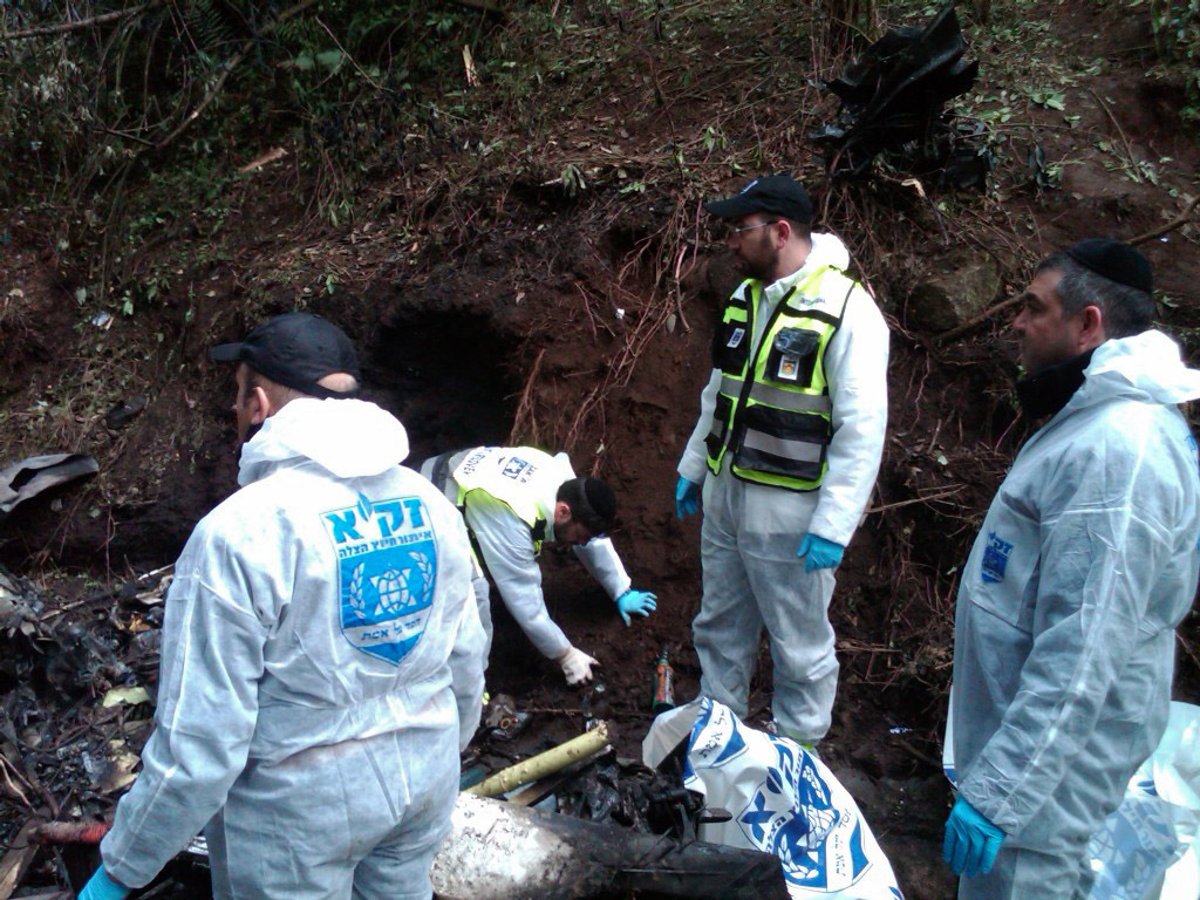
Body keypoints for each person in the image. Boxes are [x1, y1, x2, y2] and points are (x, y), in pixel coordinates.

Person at [79, 312, 486, 900]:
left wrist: (122, 867)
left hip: (297, 813)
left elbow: (201, 743)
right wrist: (446, 747)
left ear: (261, 404)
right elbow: (468, 652)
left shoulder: (242, 531)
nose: (235, 412)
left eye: (237, 395)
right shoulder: (432, 504)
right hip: (424, 779)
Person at [943, 239, 1200, 897]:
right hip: (1023, 751)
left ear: (1088, 324)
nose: (1018, 325)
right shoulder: (1088, 422)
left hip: (1048, 775)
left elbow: (1083, 648)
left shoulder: (1123, 450)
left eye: (1034, 309)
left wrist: (1000, 791)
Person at [675, 174, 889, 746]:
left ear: (781, 231)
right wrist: (695, 464)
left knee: (798, 639)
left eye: (739, 230)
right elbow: (720, 389)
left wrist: (833, 524)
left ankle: (800, 748)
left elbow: (862, 428)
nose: (730, 242)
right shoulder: (745, 300)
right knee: (719, 620)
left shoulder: (848, 311)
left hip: (791, 510)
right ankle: (718, 731)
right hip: (727, 494)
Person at [419, 445, 657, 685]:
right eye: (582, 535)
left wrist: (620, 589)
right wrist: (565, 654)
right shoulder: (512, 515)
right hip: (428, 506)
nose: (583, 542)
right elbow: (523, 597)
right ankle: (467, 691)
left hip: (449, 472)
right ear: (564, 512)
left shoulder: (566, 486)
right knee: (472, 598)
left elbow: (592, 541)